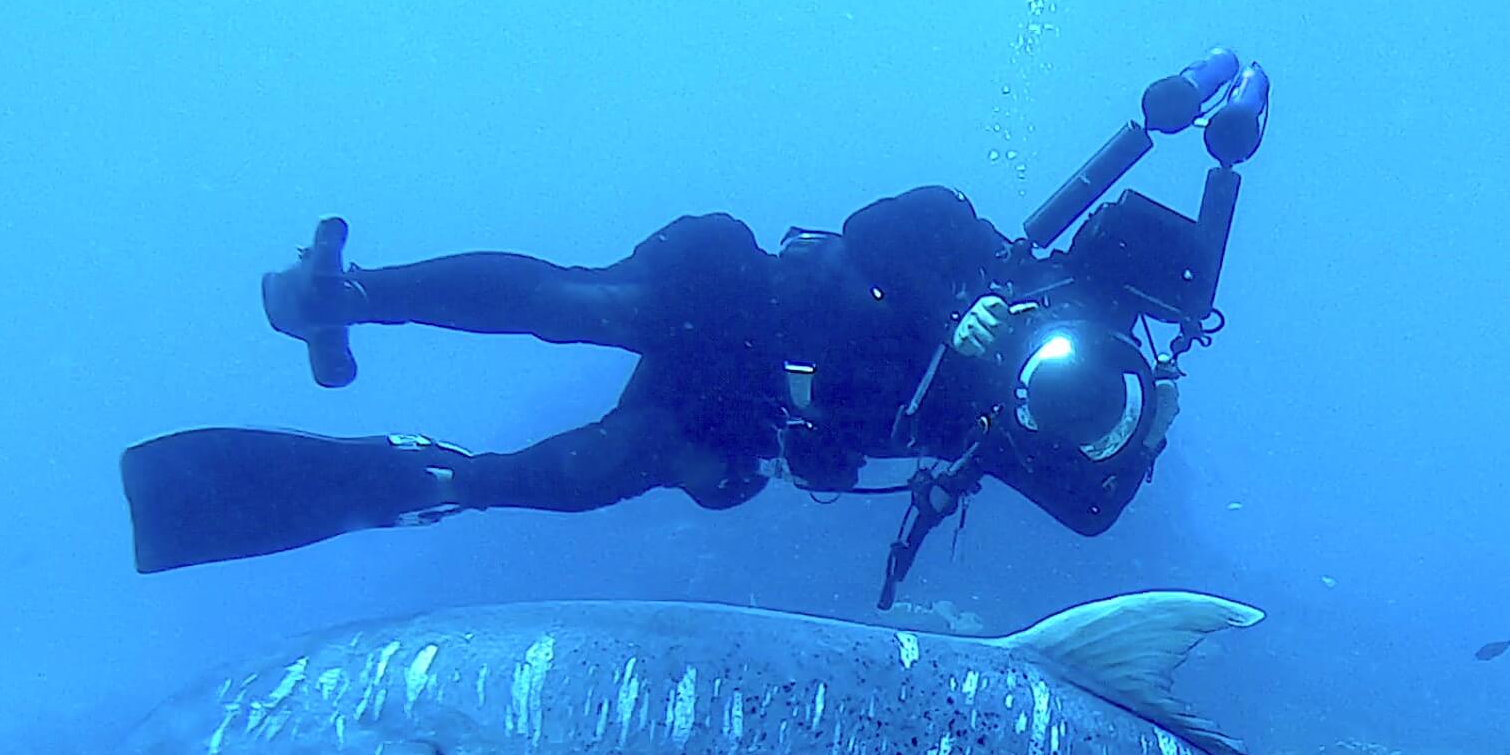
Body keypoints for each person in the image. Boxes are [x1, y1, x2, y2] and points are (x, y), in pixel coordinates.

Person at [122, 47, 1263, 604]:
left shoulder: (1028, 428)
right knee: (586, 304)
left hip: (743, 412)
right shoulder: (989, 257)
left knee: (592, 470)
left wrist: (1148, 427)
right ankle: (346, 292)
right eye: (1076, 364)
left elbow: (1092, 518)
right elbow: (881, 221)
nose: (1059, 391)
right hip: (738, 297)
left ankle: (426, 481)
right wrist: (956, 305)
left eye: (1092, 402)